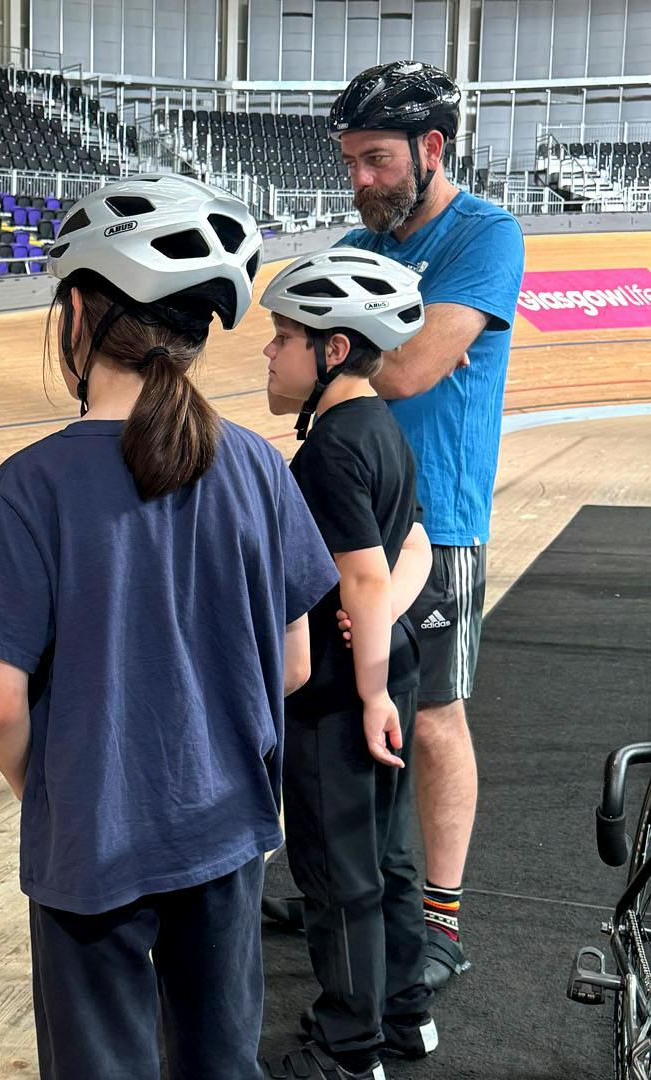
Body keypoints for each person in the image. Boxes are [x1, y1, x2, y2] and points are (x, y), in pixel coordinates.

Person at [0, 174, 338, 1080]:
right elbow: (295, 662)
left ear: (79, 312)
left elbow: (1, 704)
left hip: (92, 842)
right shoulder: (258, 468)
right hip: (226, 826)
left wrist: (63, 796)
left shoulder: (30, 486)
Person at [265, 60, 526, 990]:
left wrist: (334, 353)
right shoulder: (353, 238)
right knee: (336, 711)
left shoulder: (486, 235)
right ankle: (347, 882)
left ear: (432, 147)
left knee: (434, 716)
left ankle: (439, 917)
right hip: (344, 522)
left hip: (438, 525)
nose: (361, 181)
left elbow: (408, 370)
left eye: (376, 160)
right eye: (350, 163)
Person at [256, 249, 438, 1080]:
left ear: (332, 350)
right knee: (391, 859)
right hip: (391, 665)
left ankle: (346, 1049)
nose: (268, 352)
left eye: (283, 336)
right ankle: (403, 1018)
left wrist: (364, 689)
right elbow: (416, 548)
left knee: (338, 874)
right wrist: (382, 631)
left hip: (339, 694)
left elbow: (363, 572)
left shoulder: (329, 447)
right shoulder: (382, 427)